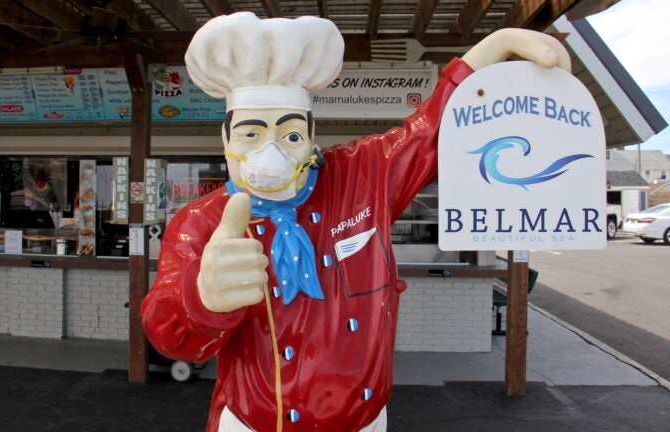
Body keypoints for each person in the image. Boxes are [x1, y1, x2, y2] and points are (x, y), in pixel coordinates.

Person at [141, 12, 570, 432]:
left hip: (365, 422)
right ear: (225, 138)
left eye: (290, 135)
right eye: (251, 134)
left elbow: (431, 132)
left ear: (312, 137)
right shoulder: (198, 222)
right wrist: (199, 298)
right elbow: (172, 340)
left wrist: (493, 50)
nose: (270, 154)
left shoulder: (363, 176)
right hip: (251, 423)